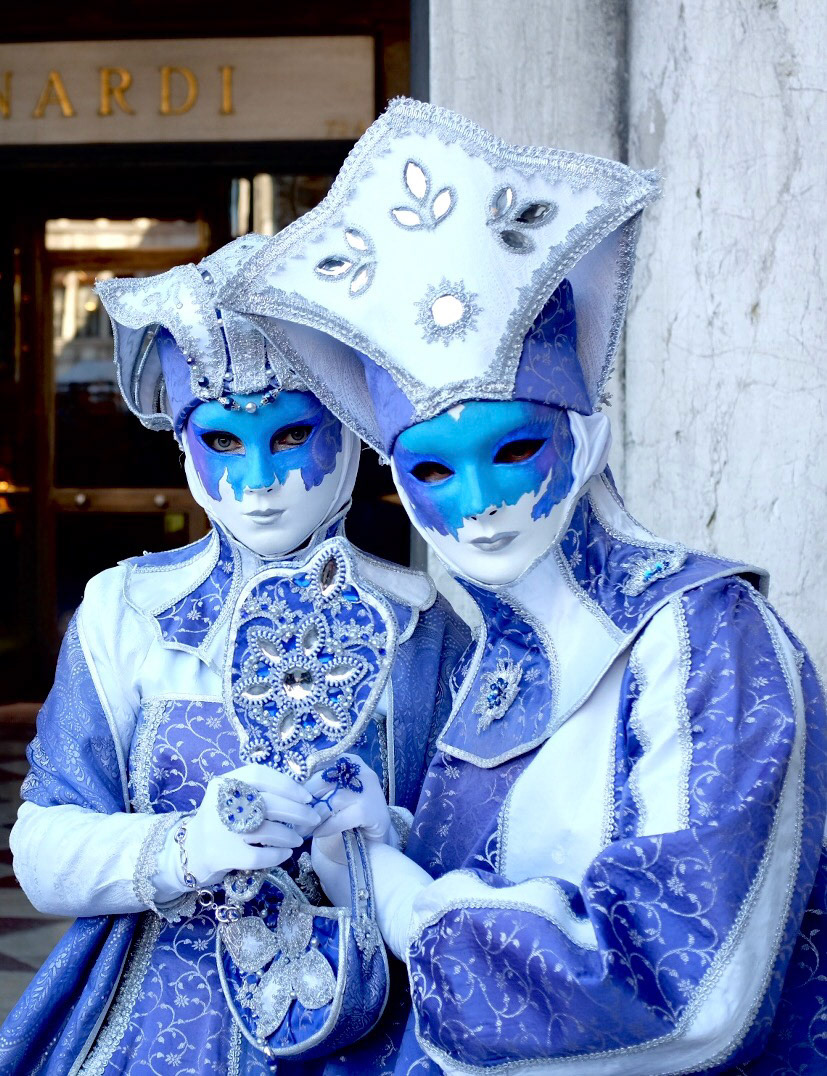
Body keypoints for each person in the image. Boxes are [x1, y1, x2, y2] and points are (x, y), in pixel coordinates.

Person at [219, 98, 827, 1073]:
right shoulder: (498, 654)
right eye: (433, 469)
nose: (479, 506)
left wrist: (408, 905)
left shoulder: (701, 634)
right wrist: (374, 843)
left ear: (583, 436)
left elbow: (683, 985)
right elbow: (508, 861)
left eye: (512, 451)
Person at [0, 234, 469, 1074]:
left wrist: (378, 847)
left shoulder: (422, 627)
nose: (257, 481)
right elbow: (40, 851)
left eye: (290, 437)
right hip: (150, 1030)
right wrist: (188, 847)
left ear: (352, 433)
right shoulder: (127, 611)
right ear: (184, 445)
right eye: (223, 441)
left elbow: (481, 863)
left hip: (359, 1023)